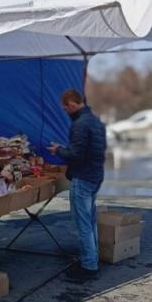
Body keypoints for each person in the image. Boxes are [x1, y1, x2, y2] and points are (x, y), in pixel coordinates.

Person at [48, 89, 106, 282]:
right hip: (95, 174)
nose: (65, 111)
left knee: (83, 224)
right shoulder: (95, 120)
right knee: (89, 221)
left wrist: (59, 150)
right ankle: (93, 258)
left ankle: (89, 266)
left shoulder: (80, 125)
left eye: (65, 108)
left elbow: (76, 154)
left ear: (72, 105)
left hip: (83, 176)